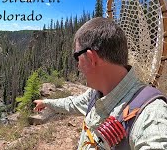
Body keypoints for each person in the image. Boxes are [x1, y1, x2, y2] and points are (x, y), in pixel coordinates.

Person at [34, 17, 167, 149]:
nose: (78, 66)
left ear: (91, 58)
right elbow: (72, 103)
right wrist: (46, 103)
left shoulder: (152, 115)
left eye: (77, 57)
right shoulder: (95, 95)